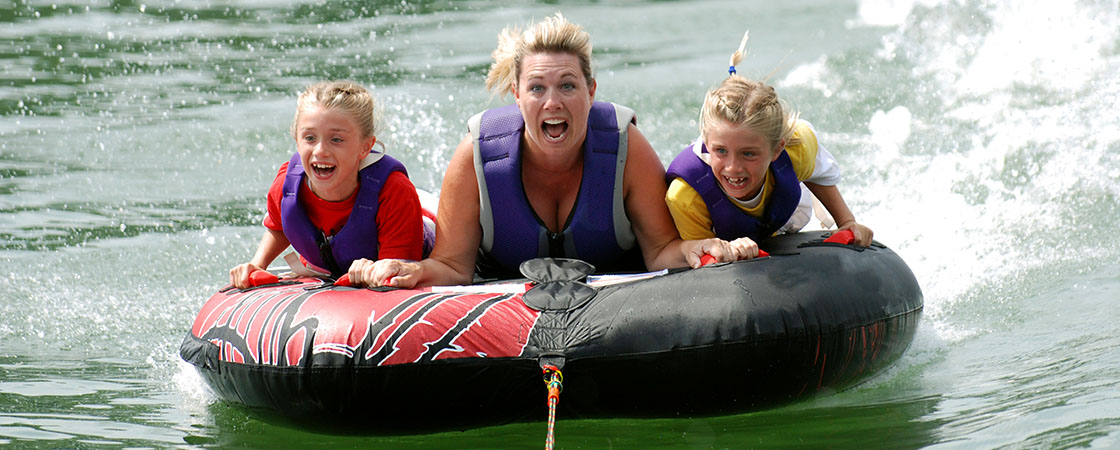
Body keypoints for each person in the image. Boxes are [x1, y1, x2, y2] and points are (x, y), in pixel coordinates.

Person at [348, 13, 732, 288]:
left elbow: (660, 252)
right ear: (516, 95)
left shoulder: (625, 149)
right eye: (536, 88)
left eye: (567, 86)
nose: (552, 103)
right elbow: (453, 268)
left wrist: (696, 248)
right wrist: (414, 271)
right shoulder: (478, 157)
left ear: (591, 91)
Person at [666, 31, 873, 261]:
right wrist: (726, 253)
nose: (733, 167)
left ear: (777, 149)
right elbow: (701, 264)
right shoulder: (687, 196)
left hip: (782, 219)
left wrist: (846, 222)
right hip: (721, 232)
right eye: (720, 151)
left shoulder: (797, 148)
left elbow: (819, 174)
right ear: (706, 142)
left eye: (748, 154)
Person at [228, 81, 431, 289]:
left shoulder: (394, 192)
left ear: (366, 147)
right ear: (296, 141)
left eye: (336, 139)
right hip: (327, 274)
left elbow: (396, 273)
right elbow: (281, 225)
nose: (320, 150)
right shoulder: (286, 189)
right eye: (309, 138)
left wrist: (375, 271)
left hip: (423, 235)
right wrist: (257, 264)